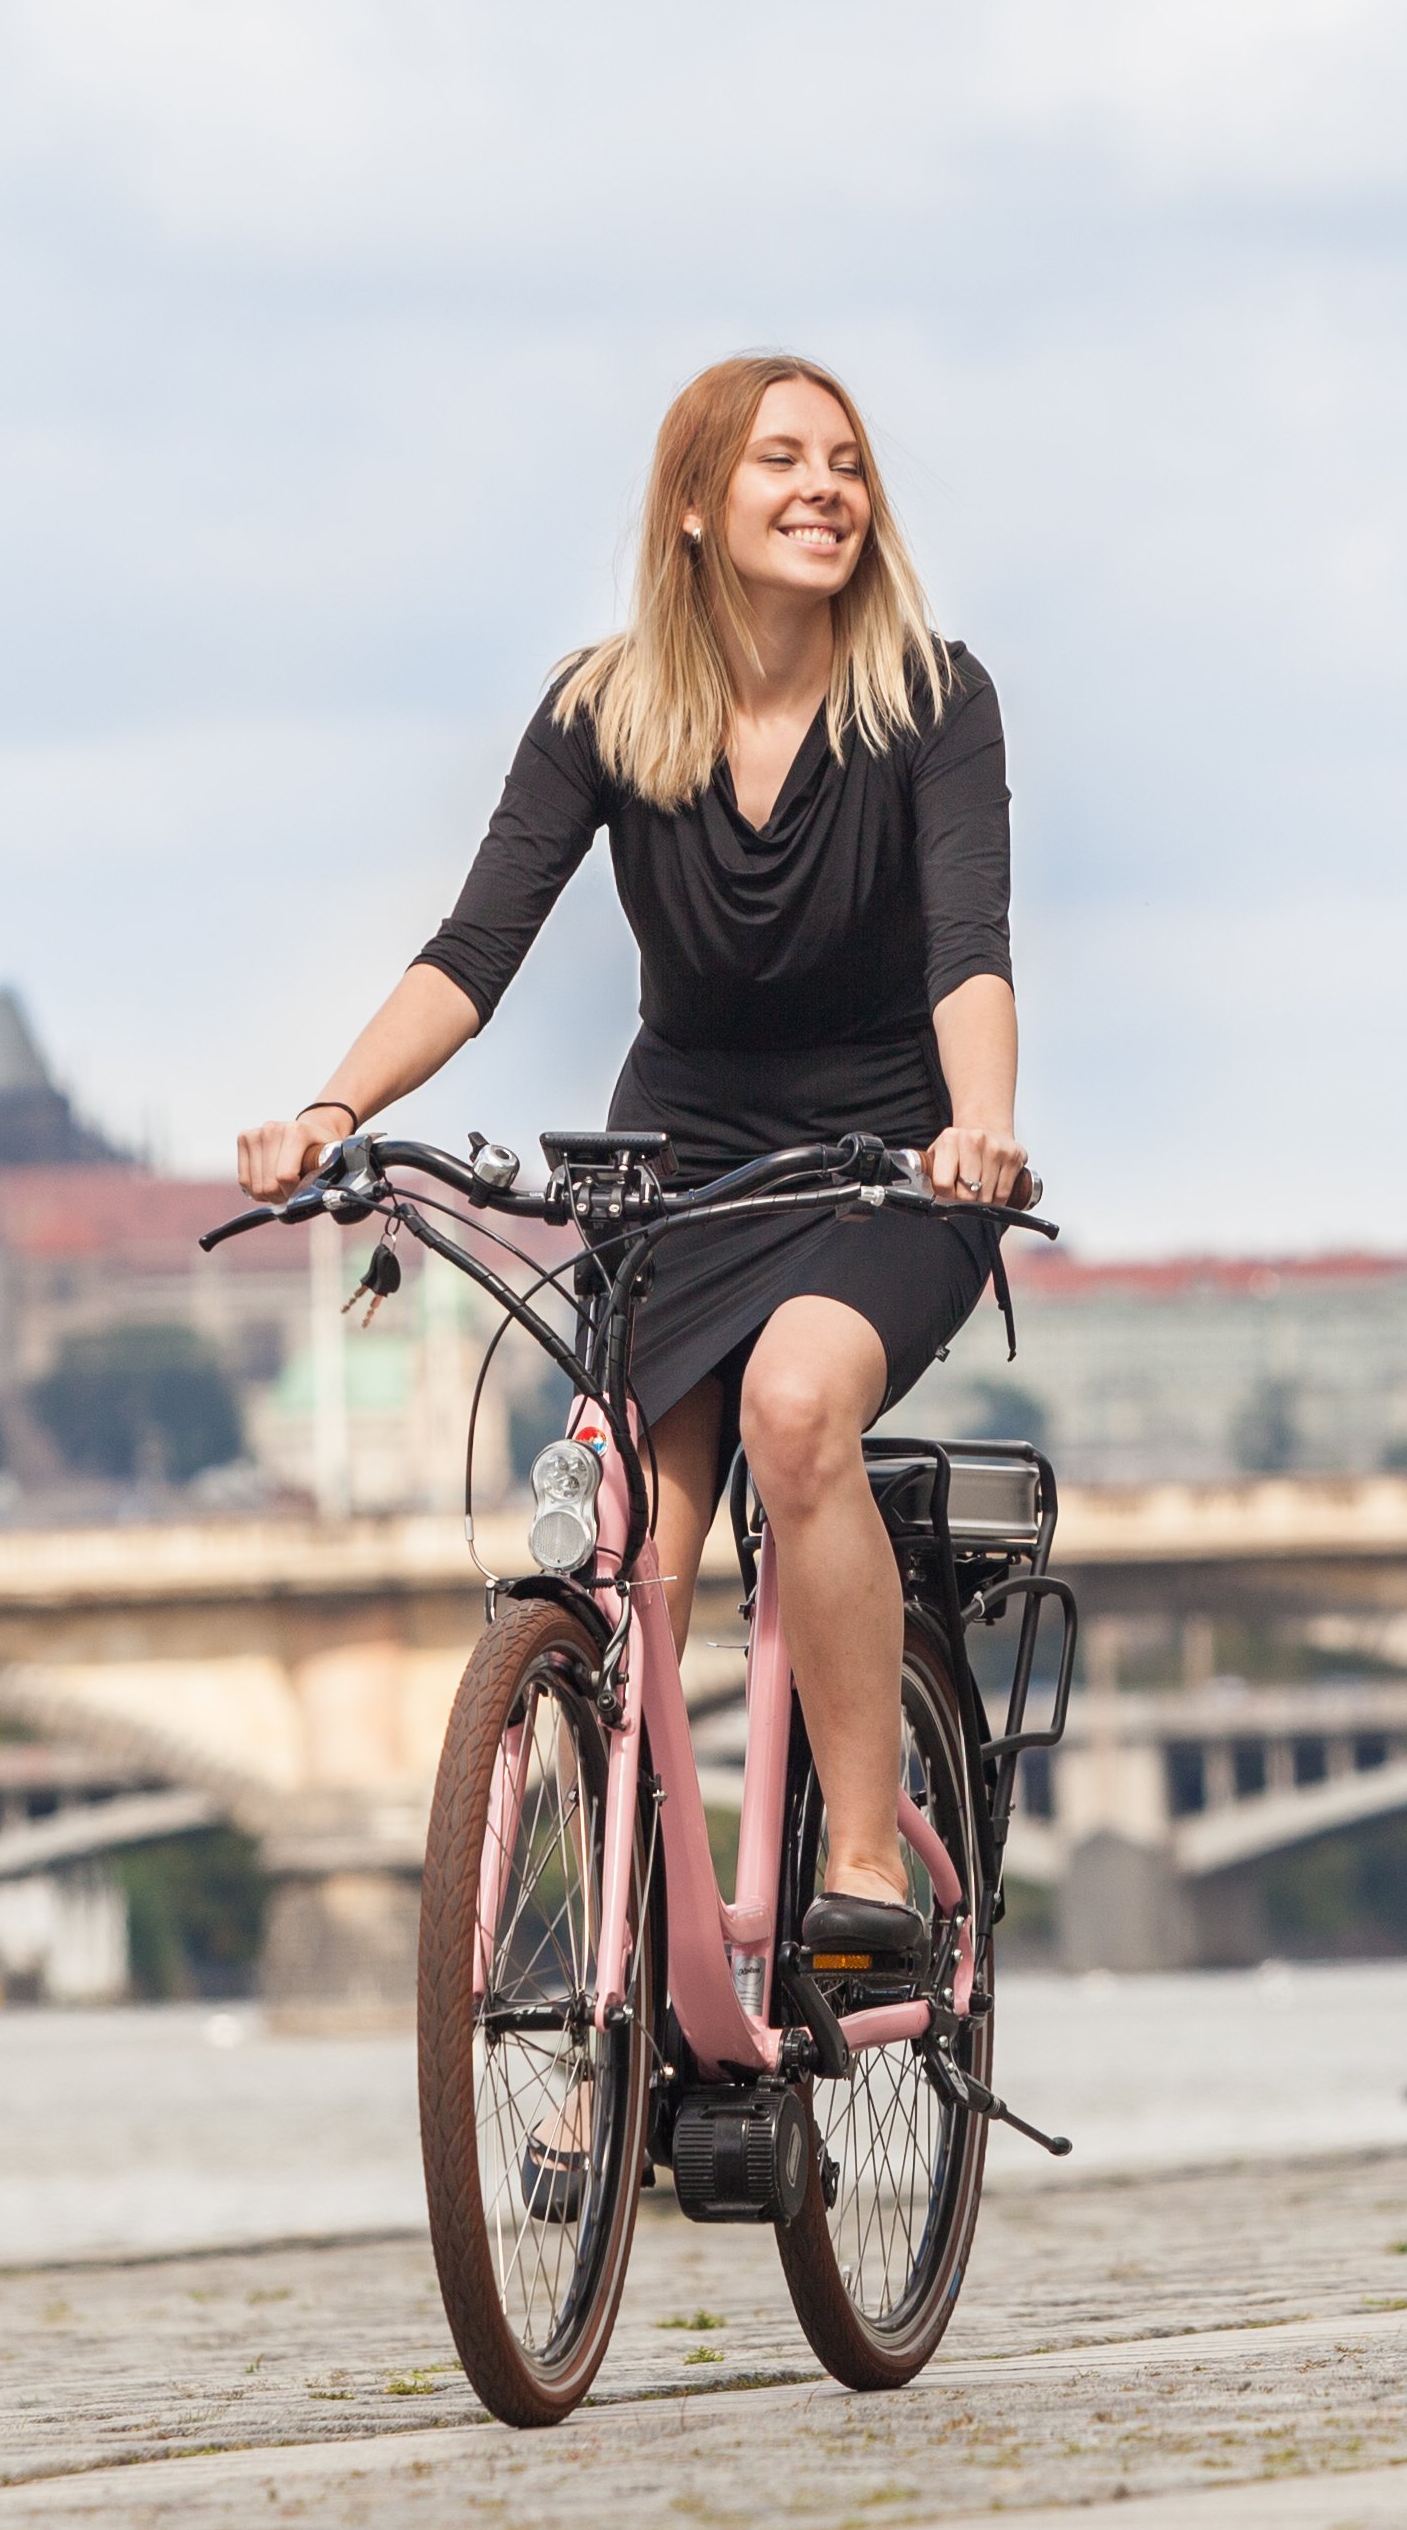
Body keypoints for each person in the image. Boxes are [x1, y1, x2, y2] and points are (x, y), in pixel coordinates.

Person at [235, 353, 1027, 1985]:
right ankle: (621, 2008)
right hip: (678, 1154)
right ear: (692, 504)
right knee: (620, 1558)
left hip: (888, 1154)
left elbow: (970, 949)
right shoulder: (603, 708)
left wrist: (981, 1125)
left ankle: (863, 1852)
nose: (826, 488)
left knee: (799, 1409)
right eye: (781, 461)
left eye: (848, 464)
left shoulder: (933, 697)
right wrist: (330, 1107)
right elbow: (472, 953)